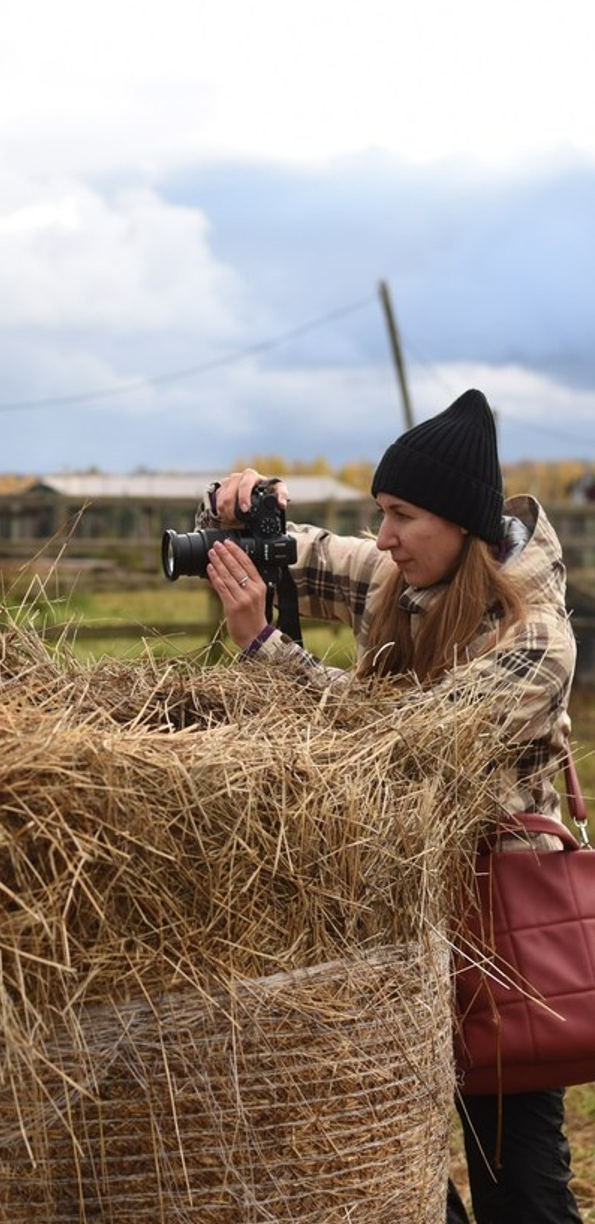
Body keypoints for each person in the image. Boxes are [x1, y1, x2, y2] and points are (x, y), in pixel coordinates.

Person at [197, 389, 581, 1223]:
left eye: (402, 515)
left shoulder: (536, 640)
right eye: (380, 513)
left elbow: (407, 740)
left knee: (522, 1183)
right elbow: (302, 553)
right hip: (397, 925)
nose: (384, 538)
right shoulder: (403, 579)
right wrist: (242, 515)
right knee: (387, 1170)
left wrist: (270, 653)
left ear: (459, 523)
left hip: (499, 937)